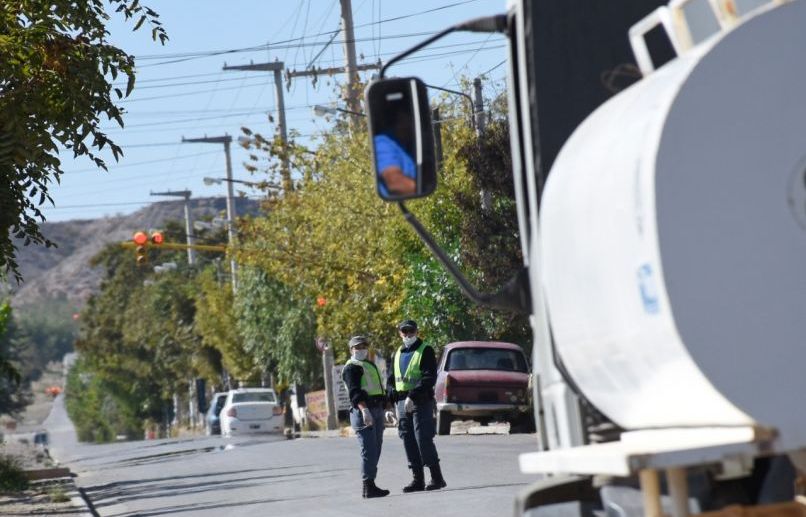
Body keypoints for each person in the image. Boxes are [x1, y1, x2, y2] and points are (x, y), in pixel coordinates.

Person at [387, 320, 447, 492]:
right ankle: (417, 480)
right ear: (400, 333)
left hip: (420, 400)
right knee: (408, 440)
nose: (408, 334)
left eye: (411, 331)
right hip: (401, 402)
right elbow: (391, 380)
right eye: (404, 331)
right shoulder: (397, 353)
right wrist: (390, 403)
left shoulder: (425, 350)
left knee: (423, 439)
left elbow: (429, 377)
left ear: (417, 331)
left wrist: (412, 395)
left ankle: (437, 478)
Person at [341, 335, 390, 498]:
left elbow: (378, 388)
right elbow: (354, 392)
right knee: (369, 450)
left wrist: (387, 408)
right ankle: (368, 486)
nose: (361, 350)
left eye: (363, 347)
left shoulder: (369, 364)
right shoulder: (351, 367)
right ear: (351, 350)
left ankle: (371, 483)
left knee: (376, 448)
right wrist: (364, 410)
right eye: (357, 347)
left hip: (377, 409)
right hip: (363, 411)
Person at [374, 103, 417, 197]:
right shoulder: (383, 142)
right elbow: (394, 182)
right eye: (411, 118)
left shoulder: (407, 145)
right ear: (400, 119)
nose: (415, 124)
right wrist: (422, 187)